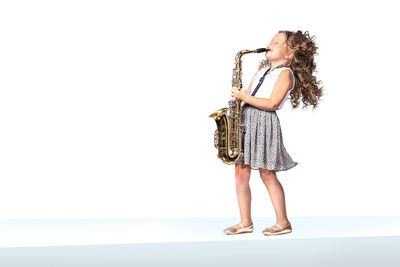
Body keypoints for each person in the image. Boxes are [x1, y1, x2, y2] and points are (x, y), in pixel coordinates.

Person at [224, 30, 324, 236]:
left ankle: (283, 222)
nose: (269, 44)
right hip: (246, 120)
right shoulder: (262, 69)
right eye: (271, 40)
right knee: (240, 172)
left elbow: (272, 103)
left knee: (267, 173)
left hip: (264, 122)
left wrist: (245, 97)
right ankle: (245, 222)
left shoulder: (286, 74)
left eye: (276, 42)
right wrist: (237, 104)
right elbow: (248, 95)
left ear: (289, 54)